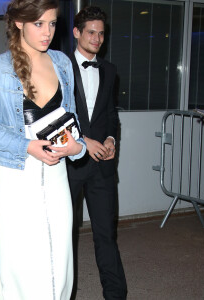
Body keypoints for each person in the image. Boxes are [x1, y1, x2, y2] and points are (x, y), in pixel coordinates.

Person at [0, 0, 86, 299]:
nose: (47, 32)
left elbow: (72, 121)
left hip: (57, 176)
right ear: (19, 22)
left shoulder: (62, 62)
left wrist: (76, 147)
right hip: (15, 178)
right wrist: (27, 146)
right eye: (39, 24)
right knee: (19, 264)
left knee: (58, 260)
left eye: (52, 23)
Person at [67, 6, 127, 300]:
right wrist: (82, 141)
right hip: (68, 165)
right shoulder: (59, 66)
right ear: (77, 32)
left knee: (106, 234)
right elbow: (52, 117)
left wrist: (112, 138)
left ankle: (115, 295)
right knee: (65, 238)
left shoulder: (110, 70)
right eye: (91, 31)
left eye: (101, 33)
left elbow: (111, 114)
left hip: (103, 165)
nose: (97, 38)